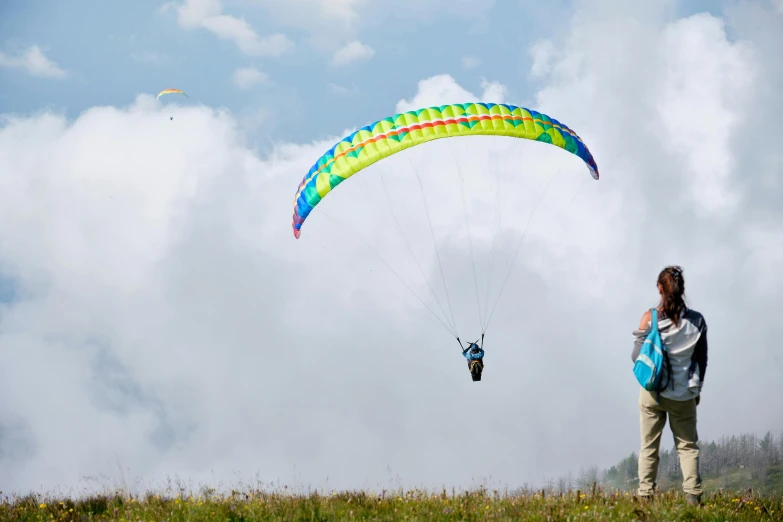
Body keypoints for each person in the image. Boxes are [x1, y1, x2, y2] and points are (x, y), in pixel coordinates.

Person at [631, 265, 708, 506]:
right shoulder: (697, 321)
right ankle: (693, 497)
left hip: (652, 393)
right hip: (683, 394)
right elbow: (702, 359)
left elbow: (636, 357)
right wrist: (698, 389)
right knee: (687, 447)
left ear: (660, 288)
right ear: (682, 289)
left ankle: (645, 497)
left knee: (649, 447)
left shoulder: (649, 318)